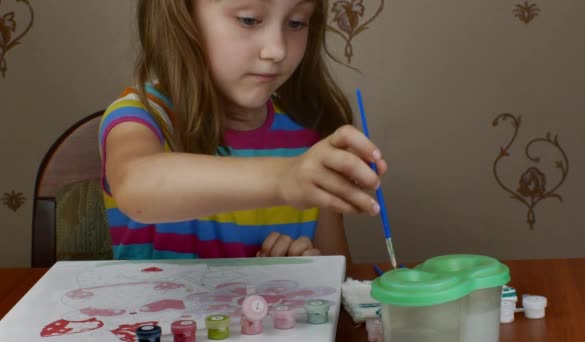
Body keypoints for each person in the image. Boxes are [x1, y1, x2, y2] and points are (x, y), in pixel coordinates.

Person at [99, 0, 388, 261]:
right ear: (184, 15)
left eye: (297, 22)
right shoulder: (141, 117)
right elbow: (135, 185)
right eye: (249, 19)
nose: (277, 50)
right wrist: (284, 178)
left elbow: (336, 274)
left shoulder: (310, 139)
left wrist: (303, 270)